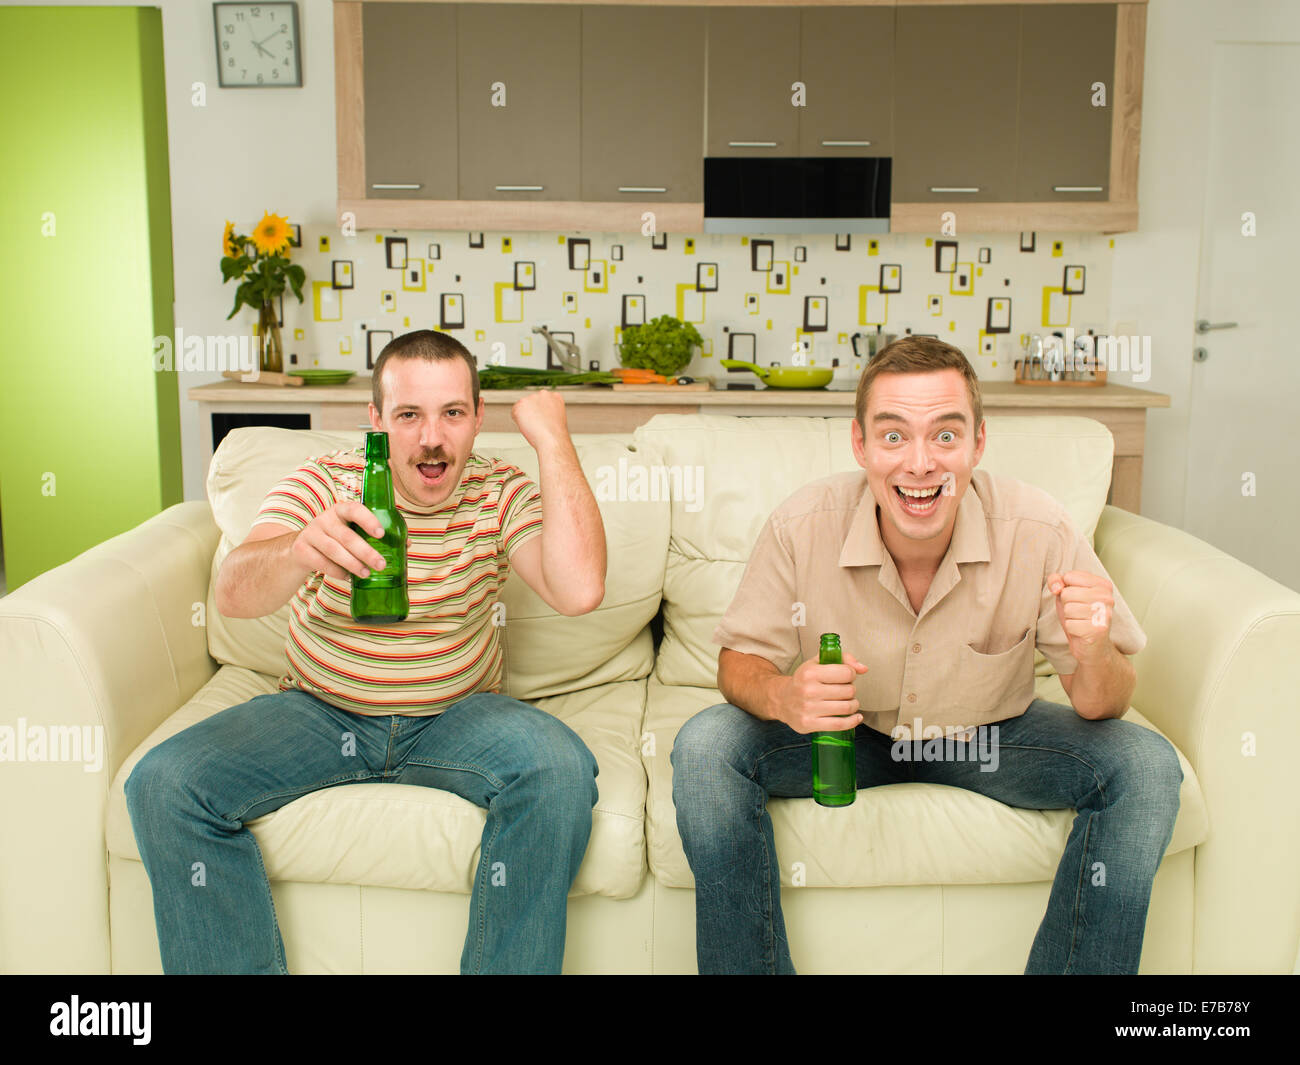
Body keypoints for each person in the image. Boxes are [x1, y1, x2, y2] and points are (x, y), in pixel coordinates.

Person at [671, 336, 1182, 975]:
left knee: (1146, 765)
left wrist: (1095, 648)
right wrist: (783, 695)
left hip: (989, 739)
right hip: (847, 739)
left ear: (977, 444)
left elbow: (1102, 702)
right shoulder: (802, 524)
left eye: (945, 436)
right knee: (705, 748)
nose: (920, 463)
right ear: (860, 445)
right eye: (893, 437)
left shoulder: (1038, 528)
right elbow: (738, 659)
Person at [125, 329, 607, 974]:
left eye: (452, 413)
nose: (431, 439)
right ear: (376, 420)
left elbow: (579, 590)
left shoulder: (499, 488)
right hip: (319, 713)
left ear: (477, 418)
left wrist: (552, 438)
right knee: (164, 783)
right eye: (409, 415)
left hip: (459, 717)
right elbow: (234, 594)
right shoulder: (326, 483)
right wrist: (300, 549)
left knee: (560, 769)